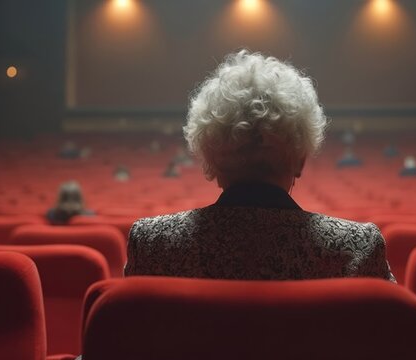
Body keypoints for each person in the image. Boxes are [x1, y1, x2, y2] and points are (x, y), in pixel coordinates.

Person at [126, 50, 394, 282]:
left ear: (212, 163)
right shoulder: (356, 247)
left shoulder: (153, 244)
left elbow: (123, 337)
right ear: (300, 160)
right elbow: (396, 336)